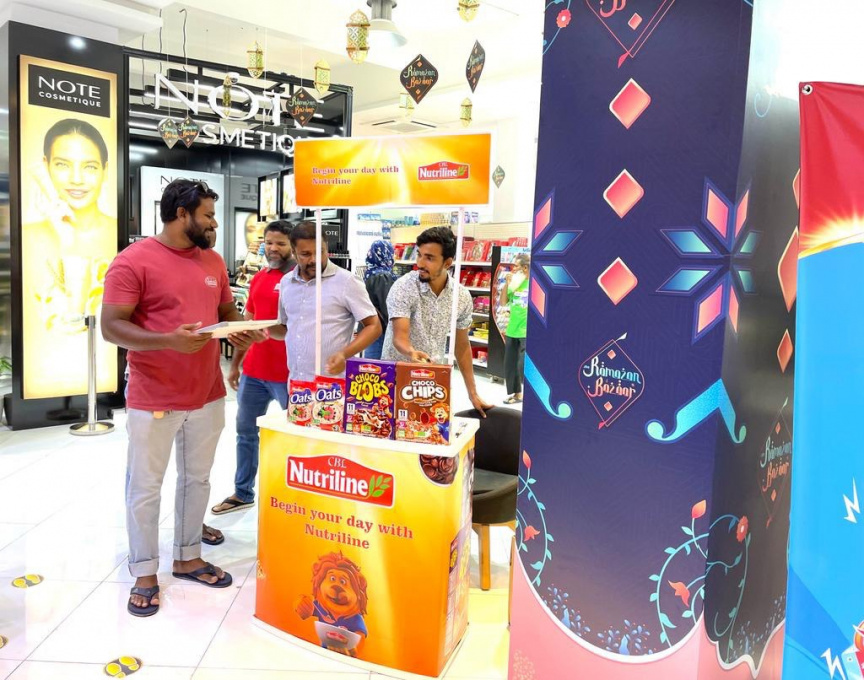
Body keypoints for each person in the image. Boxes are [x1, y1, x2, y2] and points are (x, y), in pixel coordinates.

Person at [101, 179, 264, 618]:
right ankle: (144, 571)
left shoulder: (212, 260)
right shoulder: (133, 261)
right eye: (208, 215)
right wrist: (167, 340)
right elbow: (112, 326)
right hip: (153, 394)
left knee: (198, 480)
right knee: (145, 487)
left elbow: (224, 312)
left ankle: (188, 556)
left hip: (207, 392)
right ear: (180, 214)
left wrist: (240, 328)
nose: (214, 224)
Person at [212, 220, 295, 515]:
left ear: (293, 245)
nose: (273, 248)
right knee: (245, 433)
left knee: (293, 438)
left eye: (280, 243)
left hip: (289, 375)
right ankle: (243, 492)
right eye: (269, 242)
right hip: (254, 372)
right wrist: (236, 365)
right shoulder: (259, 278)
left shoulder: (300, 280)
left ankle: (291, 498)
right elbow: (247, 324)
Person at [381, 227, 493, 416]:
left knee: (430, 429)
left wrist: (473, 393)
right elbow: (399, 337)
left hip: (432, 384)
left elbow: (462, 346)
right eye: (419, 255)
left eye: (429, 258)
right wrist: (411, 352)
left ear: (447, 263)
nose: (420, 263)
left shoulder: (461, 297)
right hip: (396, 380)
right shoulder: (403, 287)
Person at [269, 221, 381, 380]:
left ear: (326, 247)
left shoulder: (347, 281)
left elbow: (374, 326)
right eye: (305, 254)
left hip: (333, 385)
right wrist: (260, 330)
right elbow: (286, 328)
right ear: (294, 252)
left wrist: (344, 354)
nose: (314, 259)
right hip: (297, 383)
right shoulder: (287, 282)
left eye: (320, 252)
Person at [498, 253, 530, 404]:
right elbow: (503, 302)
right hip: (512, 329)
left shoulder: (533, 284)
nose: (513, 269)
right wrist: (507, 284)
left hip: (527, 332)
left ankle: (531, 397)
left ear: (525, 268)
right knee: (510, 365)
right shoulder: (515, 284)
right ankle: (517, 394)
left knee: (522, 365)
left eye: (516, 266)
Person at [363, 240, 397, 360]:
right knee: (378, 365)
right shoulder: (382, 276)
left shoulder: (370, 272)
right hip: (381, 330)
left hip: (370, 327)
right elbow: (387, 305)